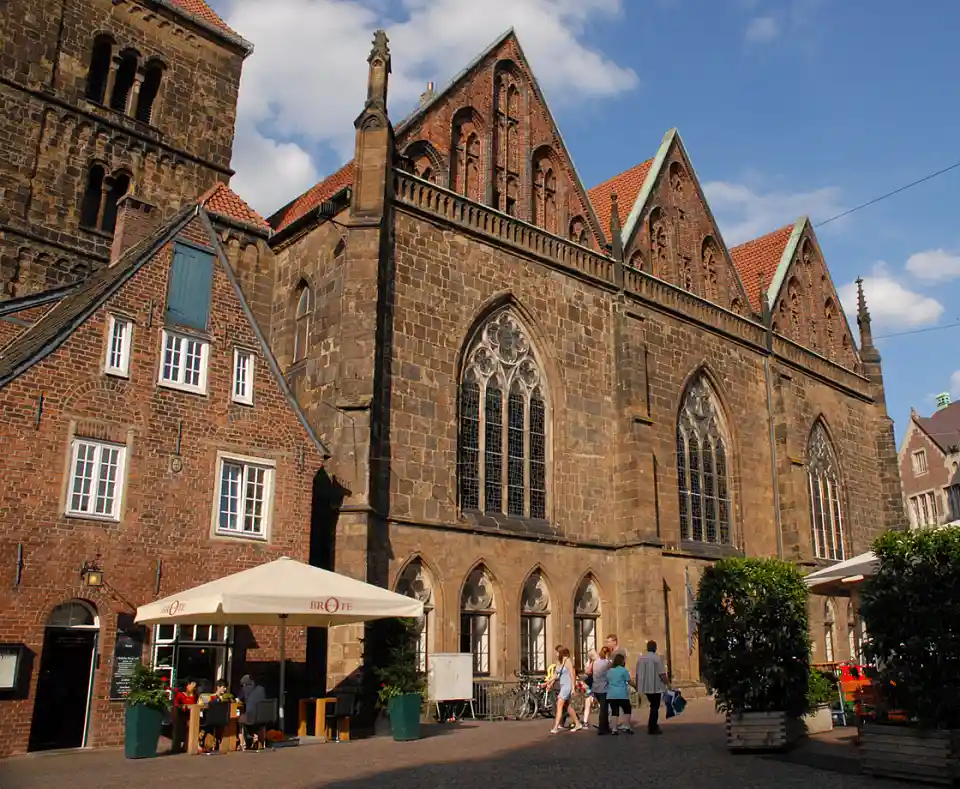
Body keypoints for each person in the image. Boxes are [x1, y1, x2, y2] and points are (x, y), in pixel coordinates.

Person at [635, 639, 670, 735]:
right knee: (655, 706)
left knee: (653, 705)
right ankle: (652, 726)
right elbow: (662, 673)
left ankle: (653, 725)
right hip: (655, 686)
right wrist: (668, 684)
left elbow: (637, 674)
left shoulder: (640, 659)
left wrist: (637, 685)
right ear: (655, 648)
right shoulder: (657, 658)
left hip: (645, 687)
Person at [549, 646, 584, 734]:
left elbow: (572, 674)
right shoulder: (558, 662)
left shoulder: (567, 660)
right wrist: (547, 683)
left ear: (560, 652)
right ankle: (577, 723)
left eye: (556, 652)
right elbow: (555, 675)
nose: (555, 654)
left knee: (559, 704)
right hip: (562, 685)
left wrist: (573, 688)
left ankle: (556, 727)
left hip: (567, 686)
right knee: (568, 707)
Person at [606, 653, 634, 734]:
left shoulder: (610, 671)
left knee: (614, 712)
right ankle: (627, 726)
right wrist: (636, 686)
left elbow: (607, 680)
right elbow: (629, 681)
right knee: (627, 709)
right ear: (622, 661)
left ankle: (614, 729)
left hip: (611, 694)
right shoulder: (623, 670)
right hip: (622, 694)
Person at [238, 674, 267, 750]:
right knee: (256, 723)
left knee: (239, 720)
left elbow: (239, 699)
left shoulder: (244, 689)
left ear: (244, 684)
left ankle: (242, 743)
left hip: (251, 717)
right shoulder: (261, 689)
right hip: (263, 717)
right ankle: (260, 740)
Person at [171, 680, 199, 753]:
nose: (193, 688)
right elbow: (176, 703)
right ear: (187, 685)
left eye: (195, 687)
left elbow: (196, 704)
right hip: (180, 713)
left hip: (190, 714)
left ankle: (187, 746)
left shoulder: (195, 696)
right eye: (192, 686)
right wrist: (181, 705)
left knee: (191, 727)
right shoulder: (180, 694)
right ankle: (175, 748)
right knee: (178, 730)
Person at [591, 645, 613, 735]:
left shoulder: (595, 662)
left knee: (604, 708)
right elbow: (610, 674)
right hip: (604, 688)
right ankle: (602, 728)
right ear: (607, 653)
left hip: (595, 688)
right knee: (604, 709)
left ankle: (606, 727)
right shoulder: (607, 663)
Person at [581, 648, 598, 728]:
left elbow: (587, 672)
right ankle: (585, 722)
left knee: (588, 704)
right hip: (593, 684)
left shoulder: (591, 662)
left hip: (591, 684)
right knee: (589, 703)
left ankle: (585, 722)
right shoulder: (594, 662)